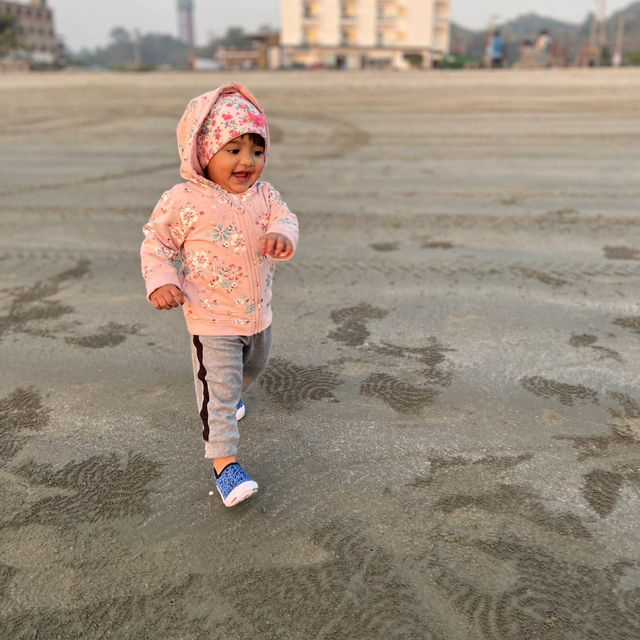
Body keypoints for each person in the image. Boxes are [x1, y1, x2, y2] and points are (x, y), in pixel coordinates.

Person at [140, 83, 299, 507]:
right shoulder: (183, 200)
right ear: (204, 151)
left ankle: (229, 396)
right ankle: (225, 465)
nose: (247, 161)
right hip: (210, 318)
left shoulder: (264, 196)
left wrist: (282, 233)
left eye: (256, 150)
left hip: (257, 314)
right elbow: (156, 243)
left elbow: (286, 217)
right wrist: (161, 280)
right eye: (233, 150)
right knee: (219, 390)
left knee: (256, 364)